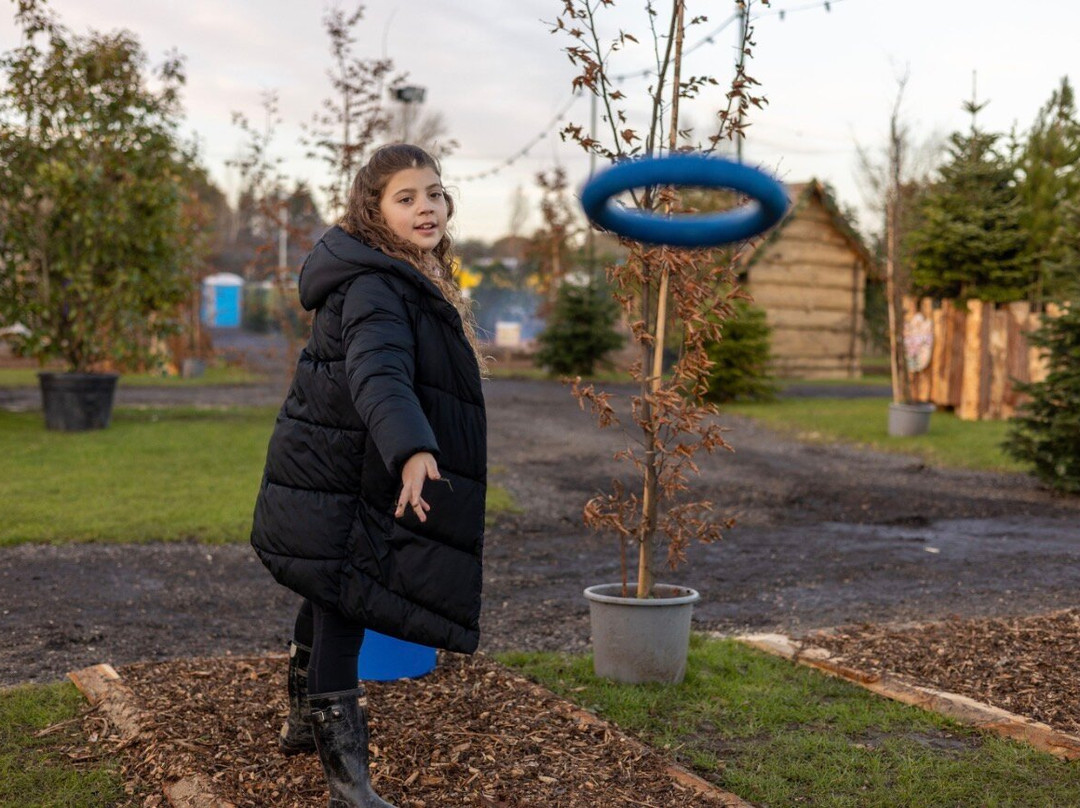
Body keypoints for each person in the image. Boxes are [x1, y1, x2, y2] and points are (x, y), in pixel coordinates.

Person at [250, 143, 487, 808]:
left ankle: (302, 723)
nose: (426, 207)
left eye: (434, 193)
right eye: (406, 198)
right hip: (343, 472)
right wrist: (411, 448)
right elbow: (377, 373)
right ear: (374, 210)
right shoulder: (377, 285)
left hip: (339, 465)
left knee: (327, 586)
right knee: (345, 602)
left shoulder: (394, 270)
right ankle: (347, 785)